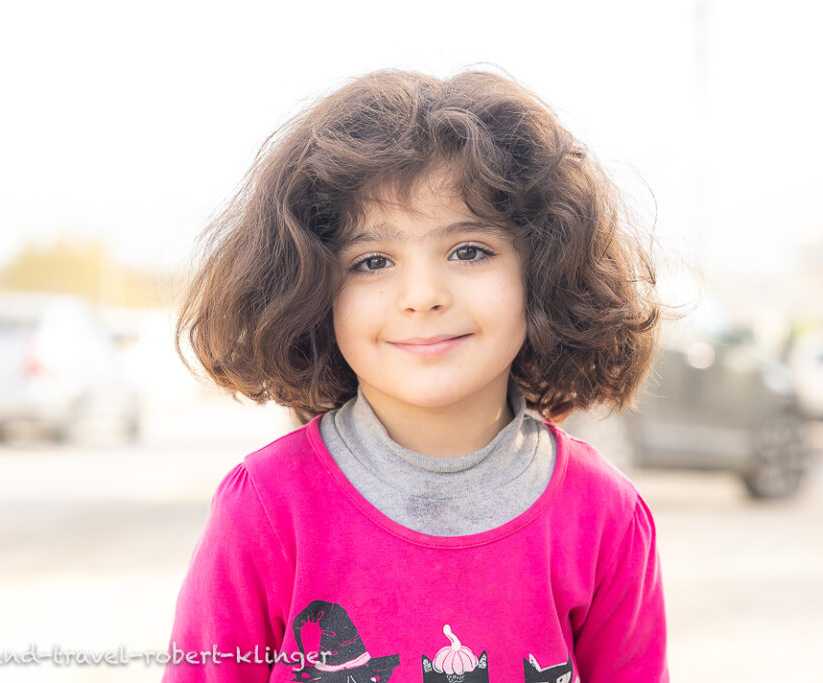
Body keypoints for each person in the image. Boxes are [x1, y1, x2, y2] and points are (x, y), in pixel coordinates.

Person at [162, 68, 667, 682]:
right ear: (313, 290)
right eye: (372, 261)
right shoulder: (266, 509)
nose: (422, 295)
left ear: (543, 269)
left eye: (469, 250)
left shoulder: (605, 515)